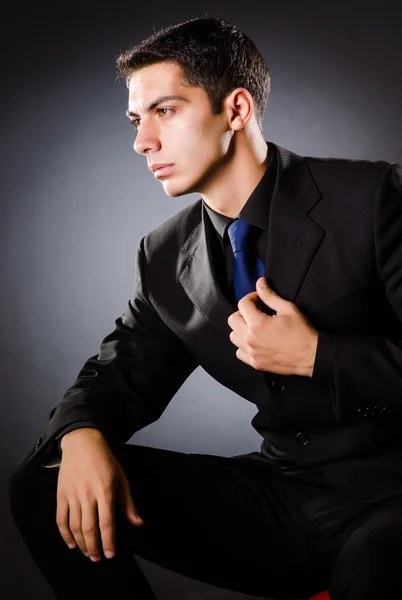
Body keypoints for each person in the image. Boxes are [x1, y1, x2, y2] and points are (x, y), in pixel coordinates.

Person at [8, 15, 402, 600]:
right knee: (41, 484)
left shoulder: (371, 200)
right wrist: (84, 433)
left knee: (376, 567)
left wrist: (320, 357)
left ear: (236, 110)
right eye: (137, 119)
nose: (142, 141)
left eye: (165, 111)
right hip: (286, 500)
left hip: (391, 496)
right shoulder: (165, 255)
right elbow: (116, 378)